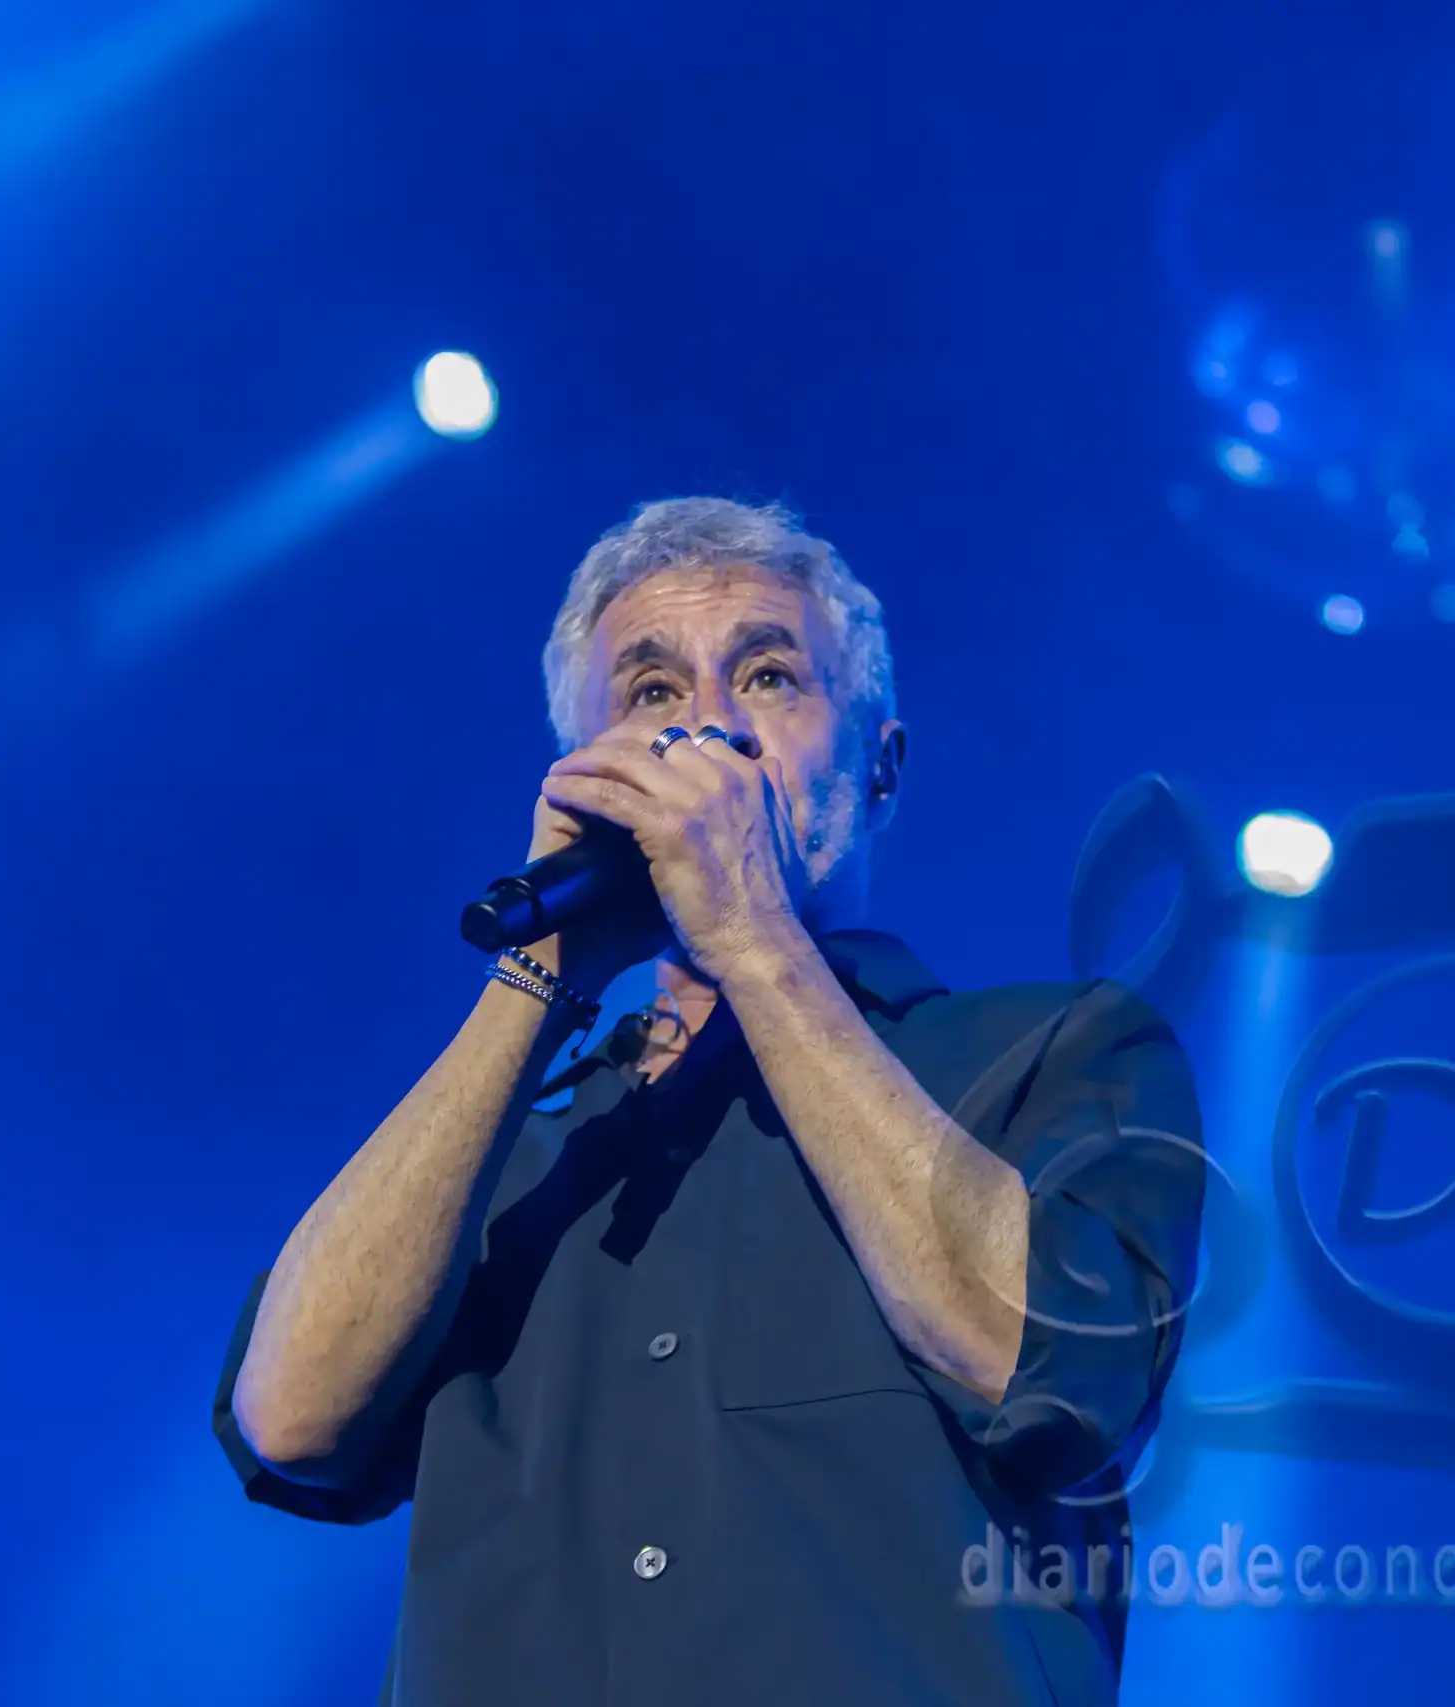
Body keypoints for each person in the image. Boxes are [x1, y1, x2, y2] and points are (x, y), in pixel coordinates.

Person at [214, 497, 1205, 1704]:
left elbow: (1045, 1371)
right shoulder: (503, 1161)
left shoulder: (1057, 1050)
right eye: (650, 695)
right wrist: (539, 975)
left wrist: (748, 931)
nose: (706, 733)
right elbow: (289, 1422)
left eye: (769, 677)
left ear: (879, 767)